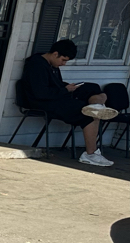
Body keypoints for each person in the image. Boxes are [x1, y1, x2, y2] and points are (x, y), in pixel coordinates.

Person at [20, 39, 127, 167]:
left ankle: (97, 107)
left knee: (92, 88)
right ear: (55, 54)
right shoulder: (37, 65)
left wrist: (70, 88)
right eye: (63, 60)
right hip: (43, 102)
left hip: (57, 96)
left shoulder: (52, 64)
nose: (63, 64)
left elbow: (56, 85)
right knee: (87, 113)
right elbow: (41, 93)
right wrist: (65, 90)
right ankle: (90, 154)